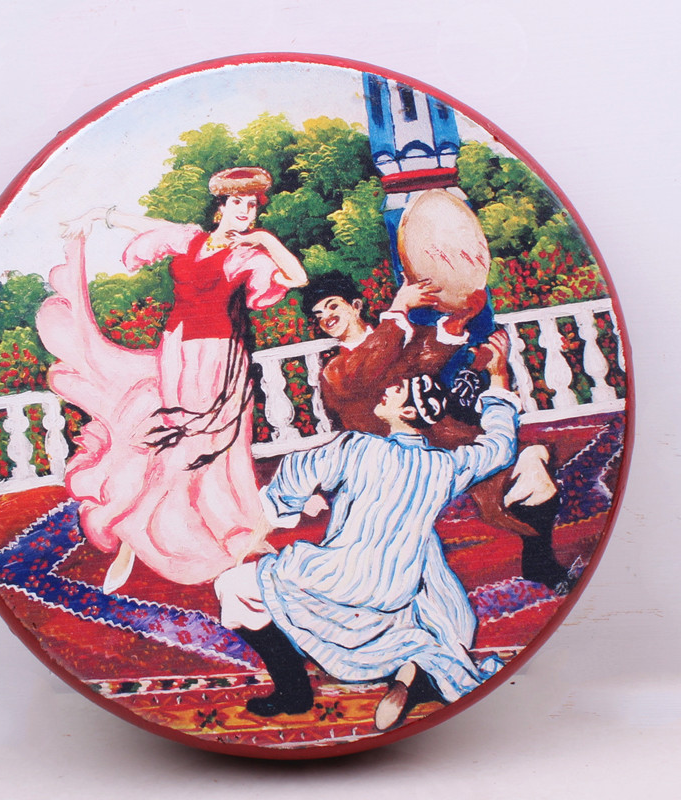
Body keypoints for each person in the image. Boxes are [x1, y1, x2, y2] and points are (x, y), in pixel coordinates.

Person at [215, 331, 517, 729]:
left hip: (337, 577)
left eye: (397, 391)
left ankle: (293, 690)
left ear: (407, 412)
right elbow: (501, 446)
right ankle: (411, 672)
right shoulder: (446, 467)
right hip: (394, 590)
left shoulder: (357, 448)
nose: (388, 391)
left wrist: (271, 523)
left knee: (232, 585)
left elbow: (295, 475)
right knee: (415, 612)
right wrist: (499, 375)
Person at [36, 167, 307, 589]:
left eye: (253, 206)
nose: (245, 212)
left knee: (208, 447)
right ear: (221, 206)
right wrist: (96, 214)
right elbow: (144, 225)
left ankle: (228, 528)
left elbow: (297, 278)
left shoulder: (247, 256)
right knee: (168, 442)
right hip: (176, 352)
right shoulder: (190, 239)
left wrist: (265, 240)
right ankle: (140, 527)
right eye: (237, 203)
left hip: (219, 358)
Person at [300, 271, 572, 593]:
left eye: (333, 306)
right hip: (398, 464)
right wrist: (399, 307)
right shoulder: (336, 372)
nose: (327, 317)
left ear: (356, 305)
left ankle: (540, 562)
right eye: (319, 315)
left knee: (534, 464)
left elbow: (424, 355)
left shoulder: (397, 338)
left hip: (447, 443)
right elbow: (372, 366)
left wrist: (459, 318)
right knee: (503, 469)